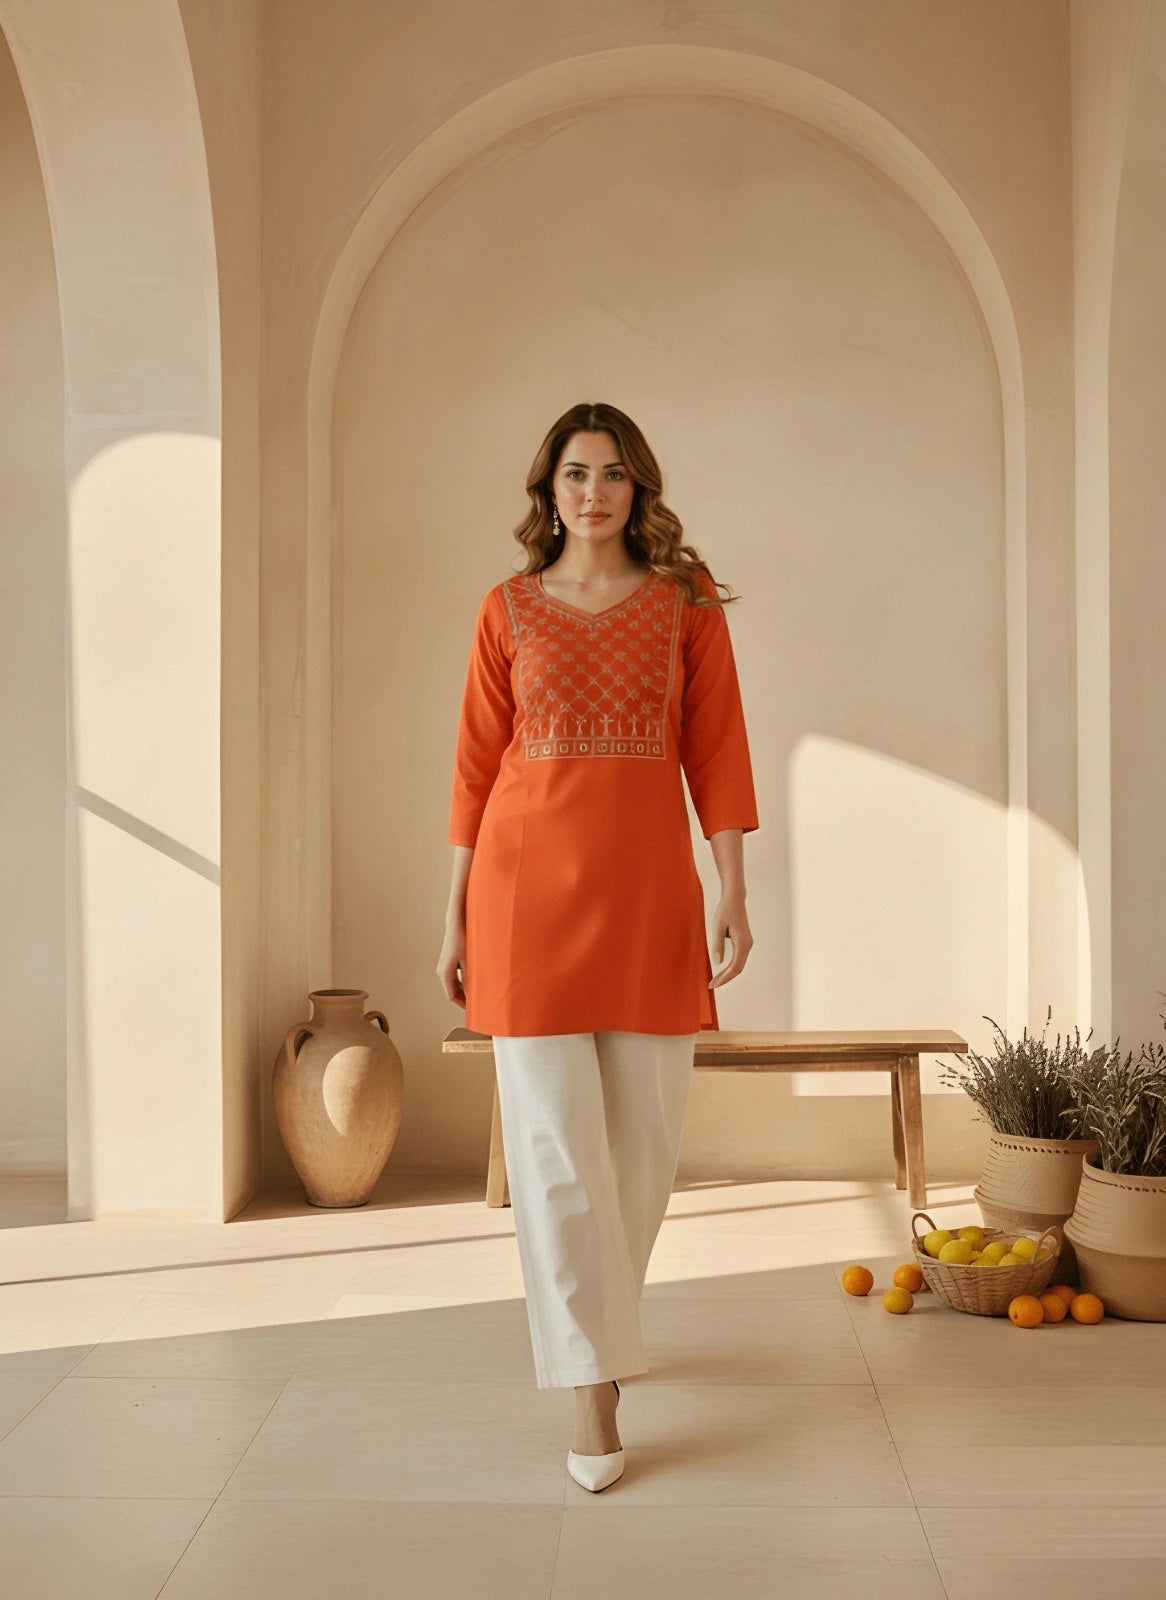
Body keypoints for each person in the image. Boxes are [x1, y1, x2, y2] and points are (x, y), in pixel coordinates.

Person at [437, 400, 759, 1491]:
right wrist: (452, 912)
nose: (594, 491)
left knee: (641, 1152)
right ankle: (587, 1391)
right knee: (554, 1157)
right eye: (575, 472)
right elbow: (475, 770)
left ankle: (600, 1340)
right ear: (549, 489)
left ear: (637, 486)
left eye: (613, 472)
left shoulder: (684, 606)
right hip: (521, 897)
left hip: (649, 898)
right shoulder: (506, 609)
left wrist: (733, 890)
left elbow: (717, 753)